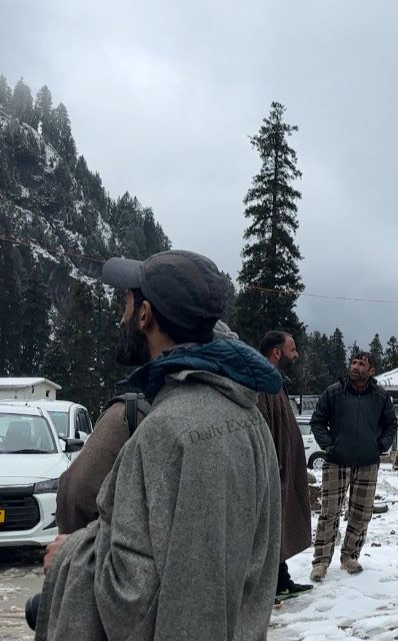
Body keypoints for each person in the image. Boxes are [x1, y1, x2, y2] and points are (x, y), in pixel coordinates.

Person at [35, 250, 283, 640]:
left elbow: (133, 597)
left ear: (145, 315)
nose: (123, 315)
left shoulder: (164, 433)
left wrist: (69, 555)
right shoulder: (249, 418)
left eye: (127, 303)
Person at [52, 321, 236, 535]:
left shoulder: (128, 417)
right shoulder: (245, 417)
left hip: (131, 561)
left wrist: (80, 551)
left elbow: (75, 495)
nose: (122, 319)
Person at [309, 352, 398, 581]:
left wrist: (379, 446)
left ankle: (349, 556)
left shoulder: (380, 396)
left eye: (362, 364)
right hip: (336, 461)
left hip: (368, 463)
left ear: (371, 370)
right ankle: (320, 562)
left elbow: (390, 425)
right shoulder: (334, 392)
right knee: (329, 514)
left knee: (361, 513)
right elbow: (317, 421)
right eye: (354, 362)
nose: (356, 367)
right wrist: (330, 446)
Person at [257, 330, 314, 601]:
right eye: (292, 349)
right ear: (277, 352)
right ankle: (273, 584)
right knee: (271, 525)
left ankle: (280, 580)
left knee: (277, 525)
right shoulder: (262, 382)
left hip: (280, 468)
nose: (297, 354)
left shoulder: (274, 380)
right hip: (272, 470)